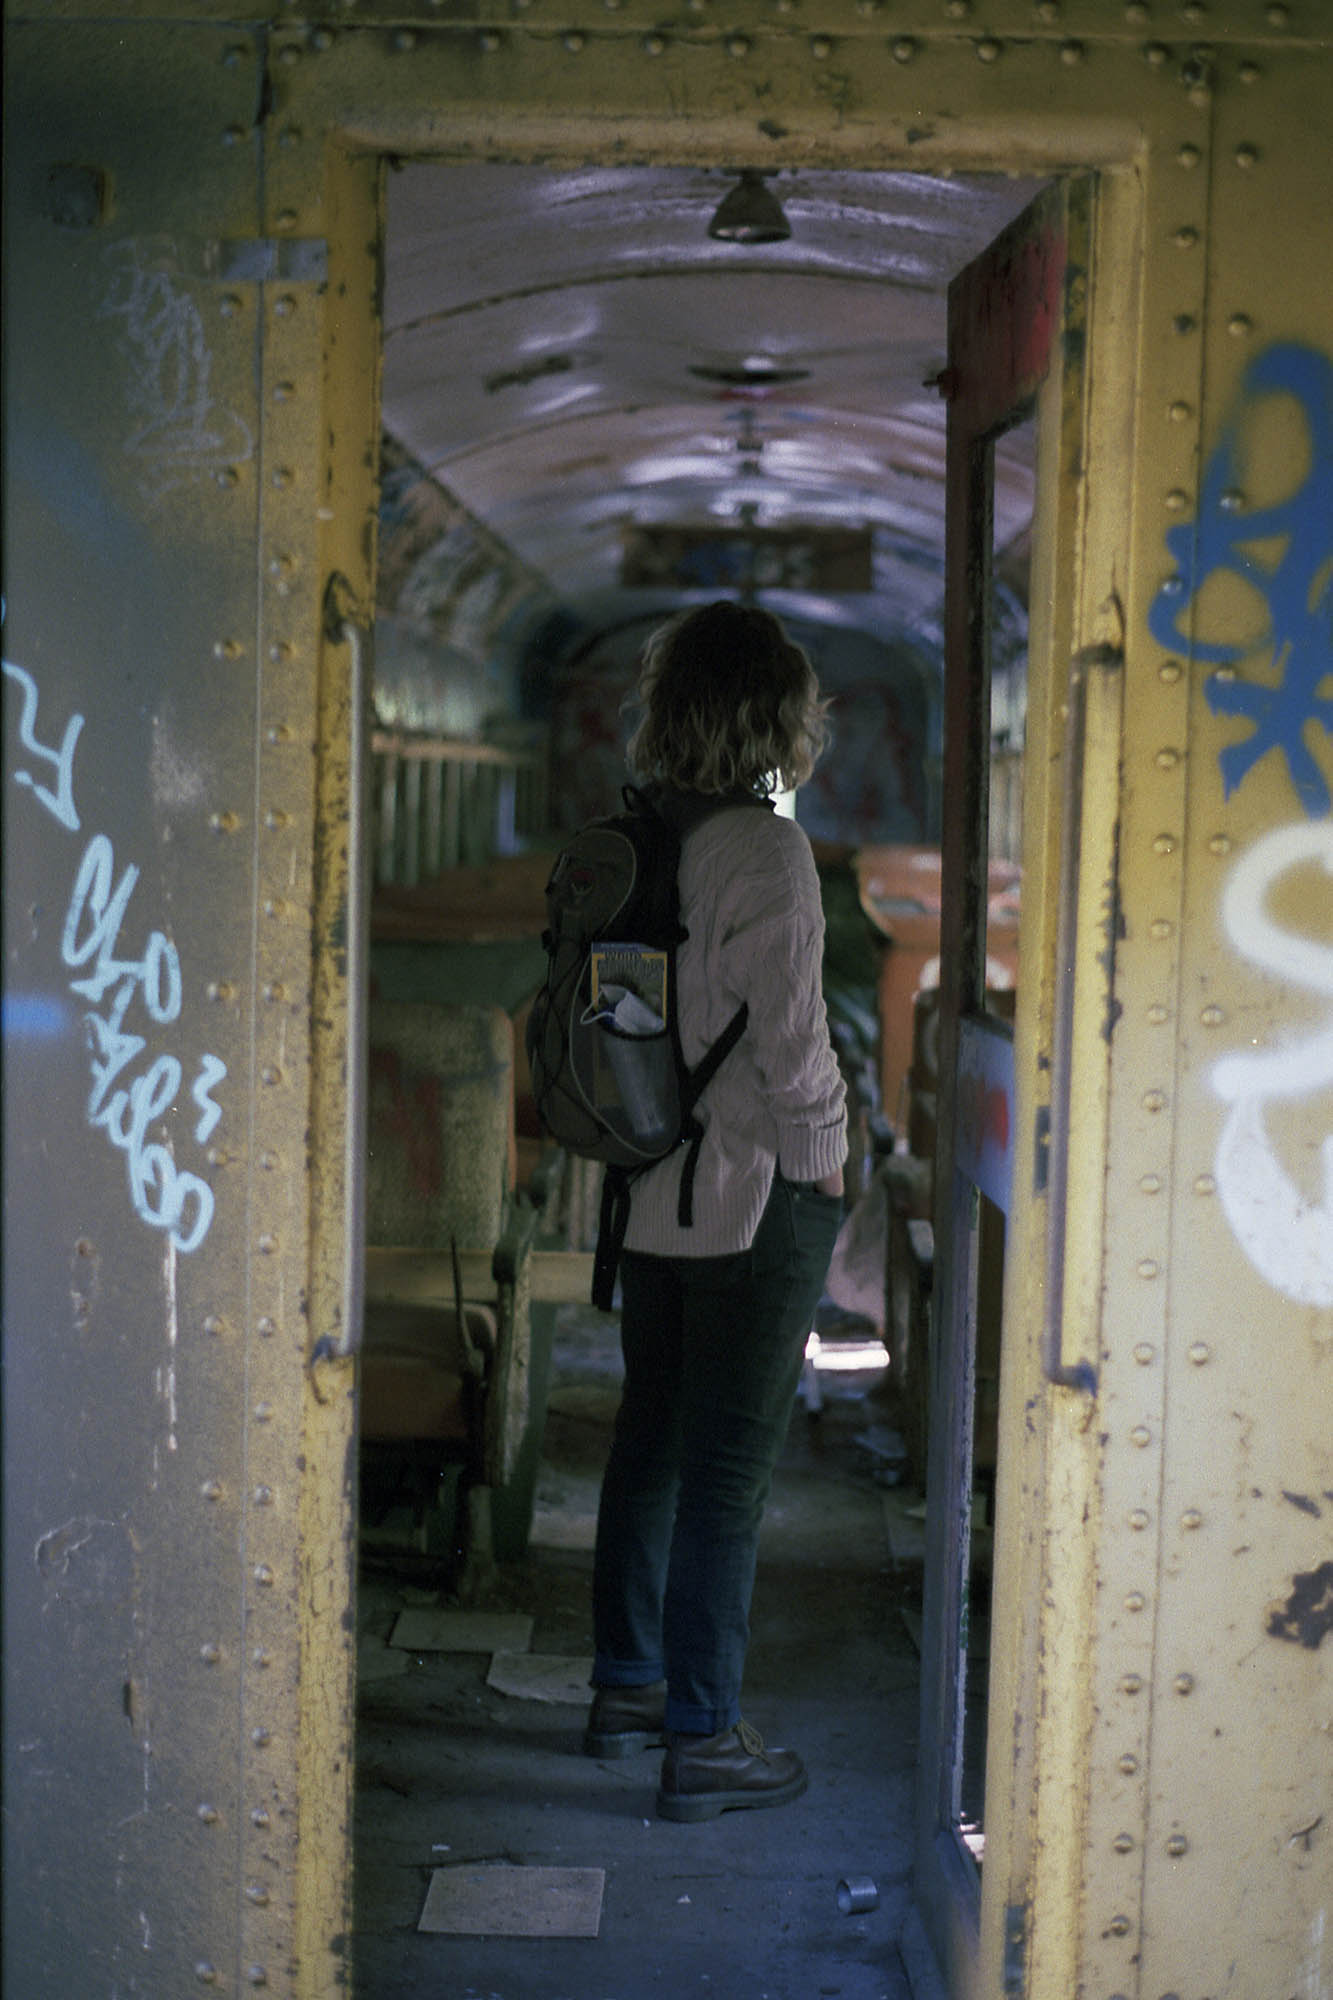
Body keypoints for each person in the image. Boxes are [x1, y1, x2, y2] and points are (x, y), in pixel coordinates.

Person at [583, 599, 848, 1822]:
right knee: (729, 1470)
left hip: (642, 1191)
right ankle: (706, 1735)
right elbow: (795, 1046)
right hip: (752, 1194)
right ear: (773, 715)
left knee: (651, 1441)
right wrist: (829, 1163)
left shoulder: (634, 833)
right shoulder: (770, 849)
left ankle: (629, 1686)